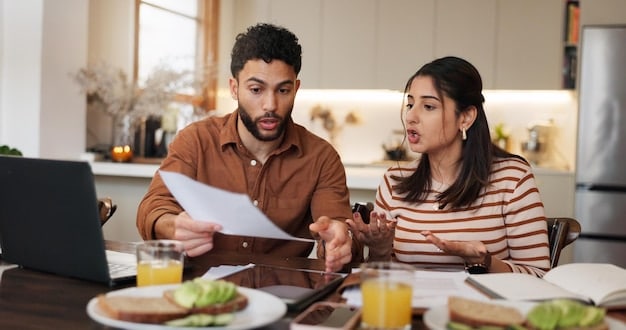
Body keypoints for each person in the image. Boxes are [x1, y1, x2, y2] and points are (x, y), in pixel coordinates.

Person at [137, 23, 361, 272]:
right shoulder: (195, 141)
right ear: (234, 88)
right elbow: (154, 206)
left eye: (283, 90)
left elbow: (335, 229)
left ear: (296, 89)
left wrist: (338, 242)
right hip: (201, 294)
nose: (270, 105)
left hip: (282, 298)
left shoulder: (322, 158)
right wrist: (173, 225)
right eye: (256, 89)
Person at [347, 56, 550, 277]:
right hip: (412, 309)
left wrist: (484, 261)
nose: (411, 117)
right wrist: (379, 250)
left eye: (428, 106)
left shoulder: (512, 179)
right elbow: (380, 279)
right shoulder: (394, 181)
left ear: (465, 117)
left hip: (484, 310)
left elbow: (539, 275)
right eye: (410, 104)